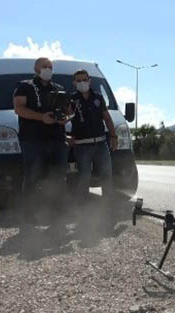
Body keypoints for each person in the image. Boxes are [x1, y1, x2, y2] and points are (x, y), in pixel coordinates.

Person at [13, 57, 69, 230]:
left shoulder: (59, 88)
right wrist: (41, 117)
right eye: (44, 66)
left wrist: (64, 119)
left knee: (58, 178)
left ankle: (57, 217)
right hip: (33, 140)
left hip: (57, 140)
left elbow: (66, 111)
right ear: (36, 68)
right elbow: (19, 109)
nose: (48, 69)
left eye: (50, 67)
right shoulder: (25, 86)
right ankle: (28, 217)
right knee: (32, 177)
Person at [67, 69, 118, 205]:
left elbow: (107, 118)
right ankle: (82, 207)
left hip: (101, 144)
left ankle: (108, 206)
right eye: (79, 81)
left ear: (89, 81)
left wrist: (113, 136)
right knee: (84, 177)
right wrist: (66, 137)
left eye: (84, 80)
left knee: (107, 175)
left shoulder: (98, 97)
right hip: (82, 146)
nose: (82, 83)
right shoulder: (71, 100)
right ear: (74, 83)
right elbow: (64, 119)